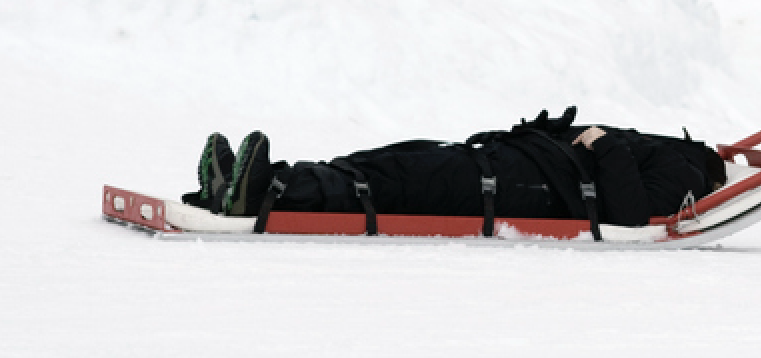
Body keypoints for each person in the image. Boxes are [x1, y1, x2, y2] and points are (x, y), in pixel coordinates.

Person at [181, 106, 727, 233]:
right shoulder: (671, 154)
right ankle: (260, 183)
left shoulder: (688, 175)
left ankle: (262, 195)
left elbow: (630, 215)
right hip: (510, 164)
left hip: (525, 188)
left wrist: (604, 146)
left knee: (397, 183)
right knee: (390, 161)